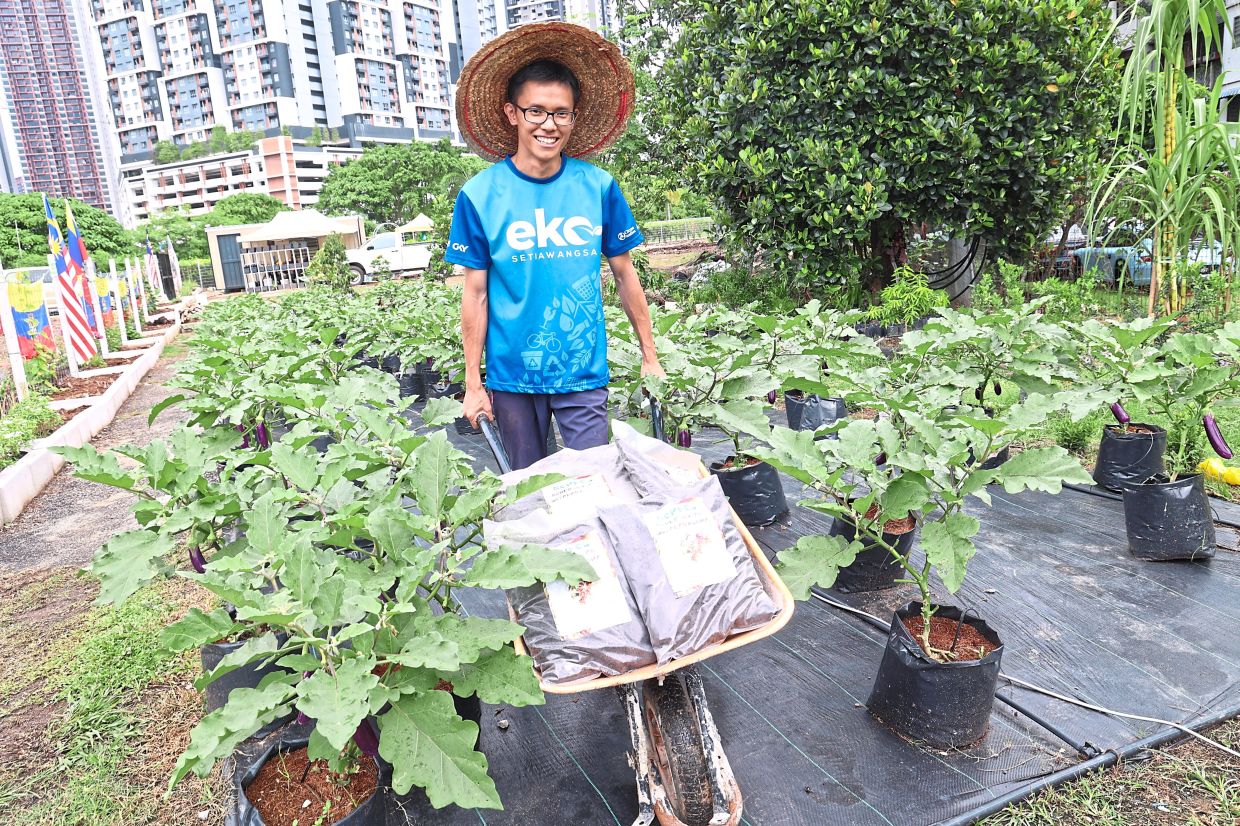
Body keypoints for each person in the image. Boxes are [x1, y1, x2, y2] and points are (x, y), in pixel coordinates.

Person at [446, 23, 664, 470]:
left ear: (574, 117)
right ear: (512, 113)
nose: (549, 124)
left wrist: (650, 356)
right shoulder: (480, 195)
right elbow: (476, 293)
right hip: (511, 374)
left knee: (597, 482)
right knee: (530, 491)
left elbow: (625, 274)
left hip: (581, 367)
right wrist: (473, 383)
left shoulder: (598, 187)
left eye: (561, 113)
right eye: (536, 112)